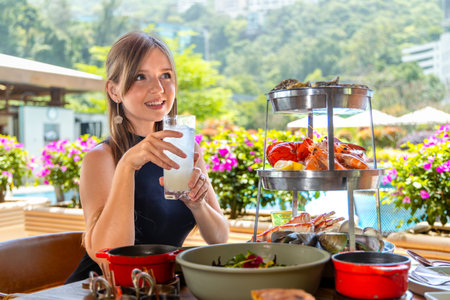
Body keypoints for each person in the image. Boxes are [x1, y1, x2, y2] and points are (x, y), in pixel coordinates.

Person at [66, 31, 229, 283]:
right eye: (141, 76)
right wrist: (128, 165)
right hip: (102, 290)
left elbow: (219, 238)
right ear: (114, 91)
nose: (158, 88)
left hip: (159, 287)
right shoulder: (101, 158)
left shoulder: (184, 150)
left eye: (166, 75)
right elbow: (106, 256)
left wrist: (197, 205)